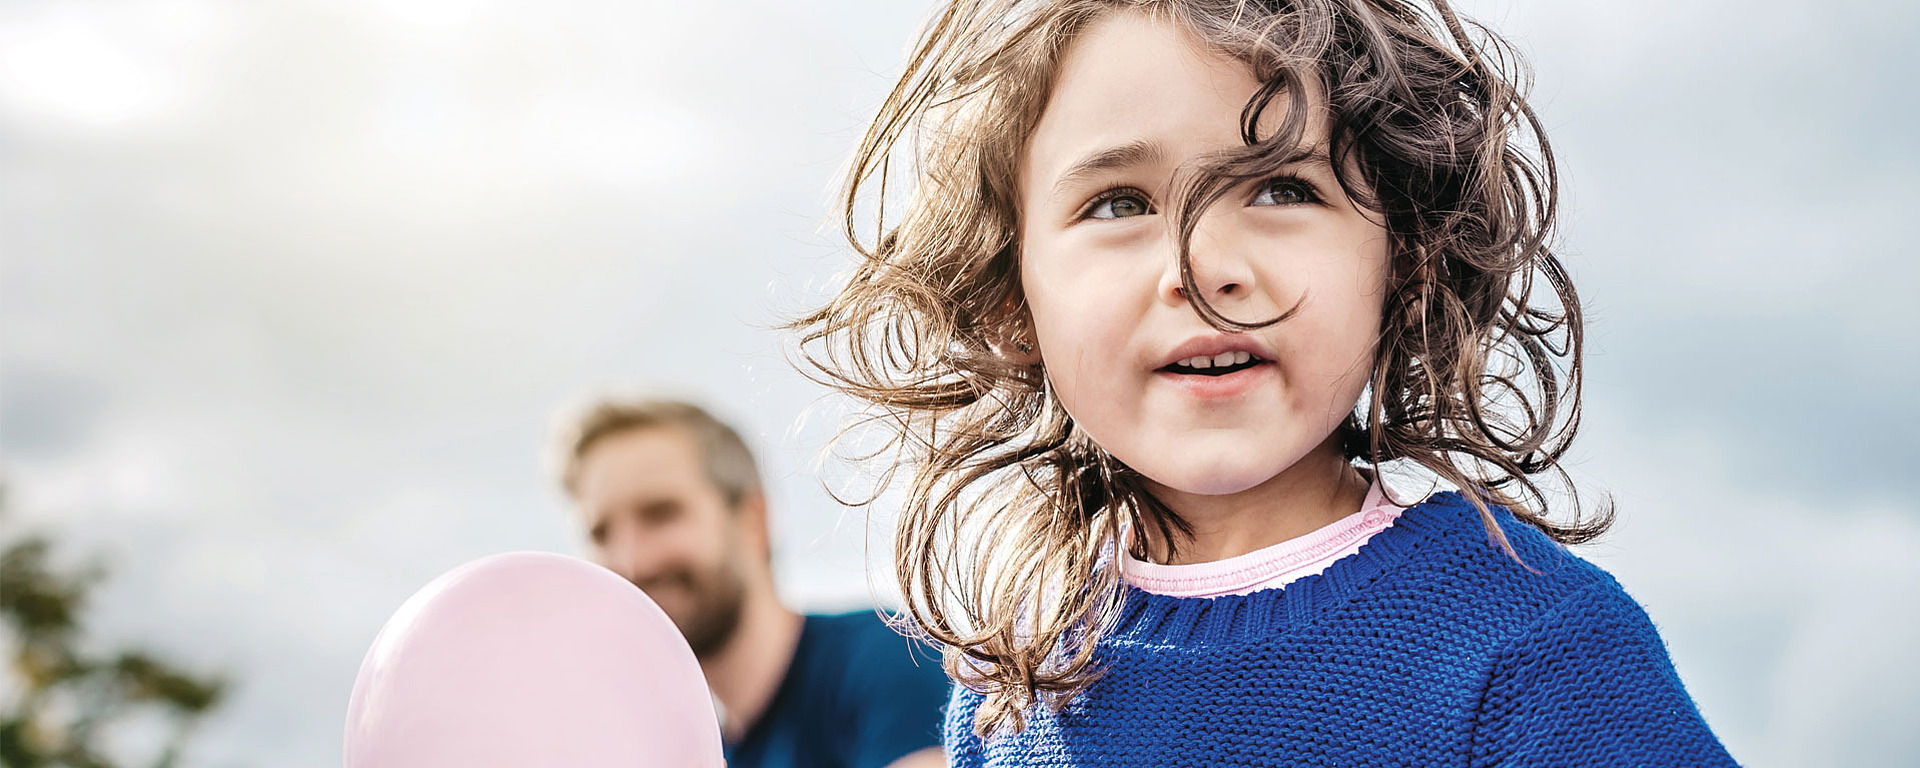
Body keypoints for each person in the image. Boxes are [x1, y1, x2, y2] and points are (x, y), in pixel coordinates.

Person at [790, 0, 1739, 765]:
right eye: (1118, 203)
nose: (1202, 269)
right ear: (1011, 300)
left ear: (1405, 262)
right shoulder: (1011, 682)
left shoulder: (1535, 647)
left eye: (1283, 188)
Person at [552, 397, 949, 768]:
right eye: (601, 534)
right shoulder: (695, 750)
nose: (632, 562)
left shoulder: (890, 656)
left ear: (752, 520)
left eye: (661, 514)